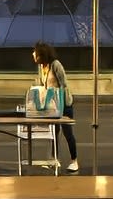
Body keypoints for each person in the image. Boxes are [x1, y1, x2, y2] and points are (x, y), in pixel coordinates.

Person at [32, 40, 79, 172]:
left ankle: (74, 161)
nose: (33, 54)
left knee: (67, 132)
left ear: (41, 54)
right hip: (52, 105)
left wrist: (61, 106)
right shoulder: (42, 67)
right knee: (53, 132)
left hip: (64, 103)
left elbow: (63, 84)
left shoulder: (55, 65)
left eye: (35, 52)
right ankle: (54, 159)